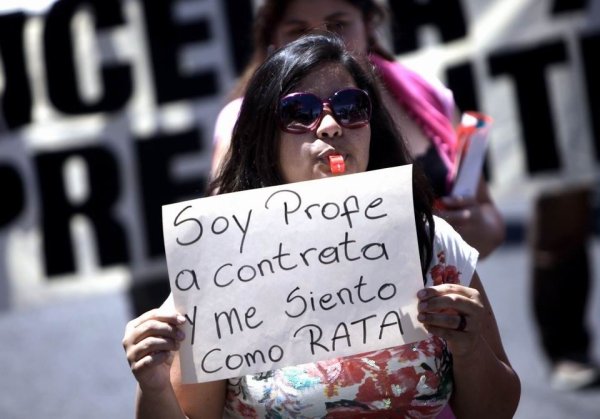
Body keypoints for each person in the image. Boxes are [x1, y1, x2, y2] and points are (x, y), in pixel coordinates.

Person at [122, 32, 520, 418]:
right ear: (264, 139)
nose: (331, 126)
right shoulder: (219, 265)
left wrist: (470, 350)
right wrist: (154, 385)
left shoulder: (432, 242)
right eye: (300, 113)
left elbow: (497, 409)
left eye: (349, 107)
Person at [211, 0, 505, 259]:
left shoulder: (427, 95)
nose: (319, 39)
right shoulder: (240, 119)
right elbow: (225, 244)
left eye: (338, 25)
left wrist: (473, 231)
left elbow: (490, 222)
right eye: (299, 114)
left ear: (368, 26)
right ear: (272, 40)